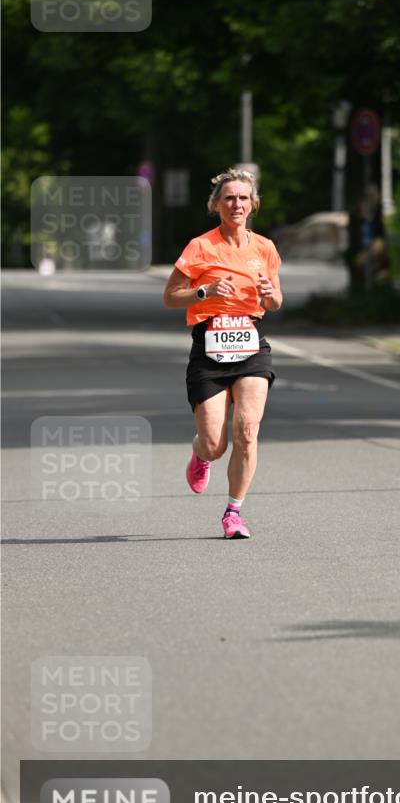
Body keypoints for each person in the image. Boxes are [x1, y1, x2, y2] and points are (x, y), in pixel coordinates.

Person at [163, 168, 283, 539]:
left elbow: (276, 300)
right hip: (209, 348)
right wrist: (205, 292)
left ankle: (233, 513)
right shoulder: (200, 247)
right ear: (216, 205)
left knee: (248, 430)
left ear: (253, 205)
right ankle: (201, 455)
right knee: (216, 444)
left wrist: (268, 292)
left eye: (243, 198)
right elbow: (170, 297)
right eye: (229, 198)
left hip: (250, 346)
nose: (237, 204)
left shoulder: (264, 248)